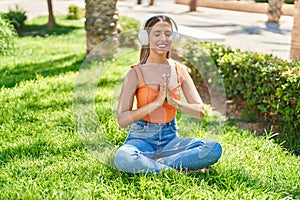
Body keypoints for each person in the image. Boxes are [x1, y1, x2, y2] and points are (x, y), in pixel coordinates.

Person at [114, 15, 222, 174]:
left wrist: (175, 103)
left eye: (168, 33)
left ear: (174, 37)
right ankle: (175, 170)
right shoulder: (135, 73)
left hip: (170, 139)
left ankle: (154, 165)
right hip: (141, 139)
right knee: (123, 157)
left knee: (213, 149)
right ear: (146, 38)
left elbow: (200, 112)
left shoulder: (180, 70)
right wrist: (155, 103)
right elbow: (122, 120)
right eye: (156, 34)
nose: (163, 38)